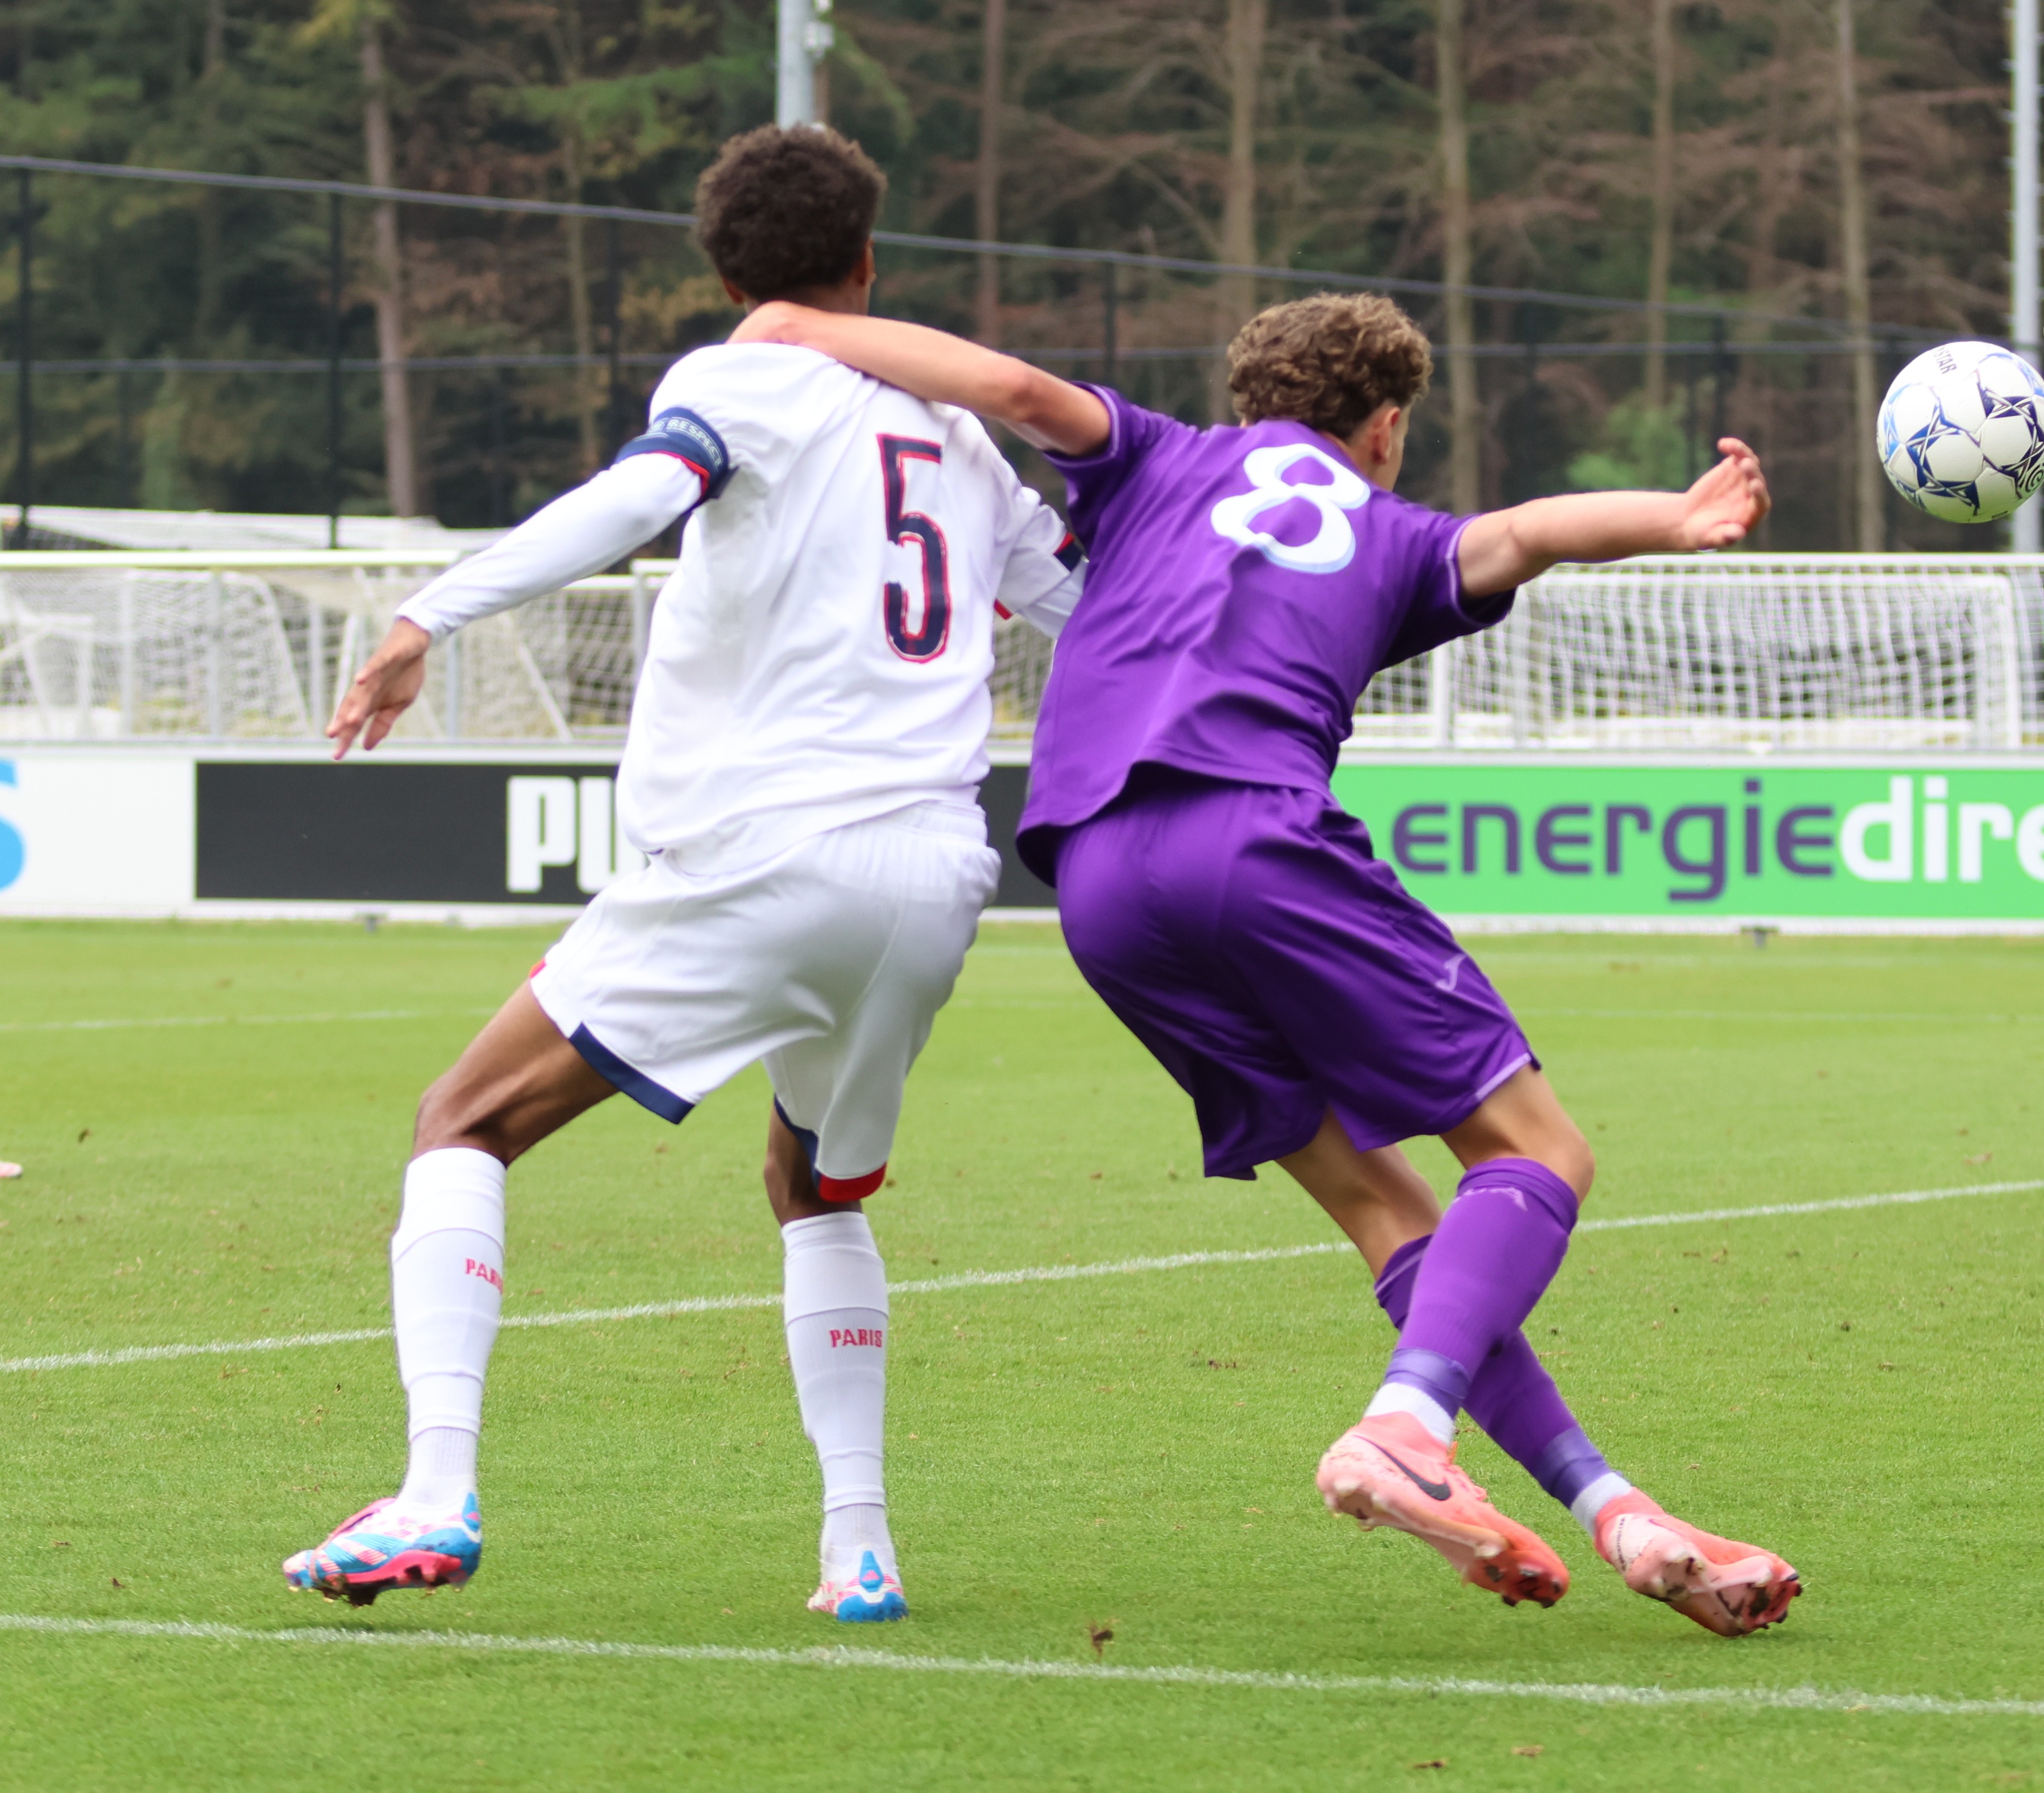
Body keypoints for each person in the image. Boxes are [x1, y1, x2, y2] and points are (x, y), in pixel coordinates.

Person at [731, 290, 1802, 1633]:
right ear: (1388, 426)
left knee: (1389, 1215)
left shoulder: (1158, 455)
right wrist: (1676, 515)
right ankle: (1405, 1428)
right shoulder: (1394, 529)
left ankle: (1619, 1512)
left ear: (1256, 401)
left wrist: (801, 331)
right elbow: (1525, 533)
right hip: (1253, 840)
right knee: (1540, 1155)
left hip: (1099, 886)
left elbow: (1006, 384)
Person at [280, 124, 1082, 1620]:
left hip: (765, 849)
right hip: (935, 870)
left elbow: (636, 498)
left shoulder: (735, 378)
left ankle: (436, 1489)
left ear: (725, 272)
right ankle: (860, 1548)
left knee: (461, 1119)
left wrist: (424, 616)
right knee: (814, 1181)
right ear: (866, 262)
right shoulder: (961, 436)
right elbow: (1085, 608)